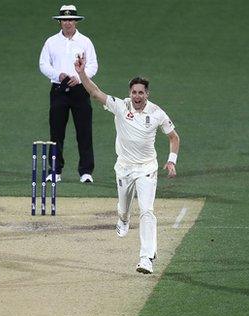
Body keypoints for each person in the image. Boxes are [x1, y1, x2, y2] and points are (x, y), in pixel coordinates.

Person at [74, 55, 181, 274]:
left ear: (147, 94)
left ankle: (146, 258)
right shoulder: (120, 106)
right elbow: (94, 92)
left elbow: (174, 138)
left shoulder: (157, 113)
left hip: (147, 169)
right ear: (130, 93)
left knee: (147, 211)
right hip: (124, 167)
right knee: (123, 208)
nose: (137, 96)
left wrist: (171, 161)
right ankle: (123, 219)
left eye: (141, 92)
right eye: (134, 92)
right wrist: (81, 73)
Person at [39, 4, 98, 183]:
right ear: (60, 22)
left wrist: (80, 78)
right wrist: (59, 75)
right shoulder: (51, 42)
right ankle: (55, 171)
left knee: (84, 131)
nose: (67, 23)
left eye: (71, 19)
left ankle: (86, 172)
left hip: (80, 90)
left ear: (76, 21)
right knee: (56, 132)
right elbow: (43, 64)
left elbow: (93, 65)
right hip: (58, 90)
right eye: (64, 20)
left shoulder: (85, 42)